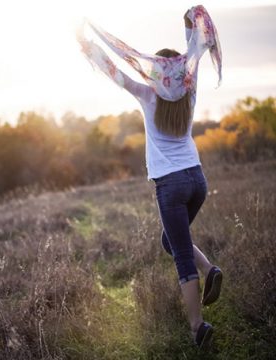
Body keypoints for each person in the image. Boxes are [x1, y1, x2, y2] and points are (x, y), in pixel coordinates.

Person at [76, 5, 223, 348]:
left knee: (180, 253)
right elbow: (194, 54)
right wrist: (190, 22)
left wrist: (87, 45)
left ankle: (197, 327)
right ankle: (211, 271)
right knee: (171, 242)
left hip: (170, 186)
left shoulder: (147, 94)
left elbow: (115, 70)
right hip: (197, 181)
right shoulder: (190, 90)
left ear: (157, 74)